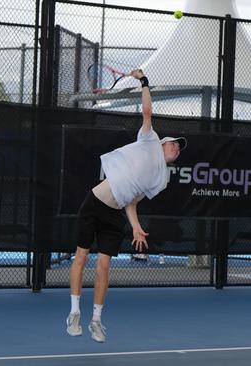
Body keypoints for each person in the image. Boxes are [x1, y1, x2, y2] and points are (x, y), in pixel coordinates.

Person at [66, 69, 187, 343]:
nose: (176, 148)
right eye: (174, 145)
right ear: (163, 142)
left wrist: (136, 227)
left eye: (179, 149)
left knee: (104, 267)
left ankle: (96, 320)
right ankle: (74, 313)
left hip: (113, 215)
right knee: (81, 258)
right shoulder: (149, 139)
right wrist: (143, 81)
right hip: (94, 203)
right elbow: (146, 111)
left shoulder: (161, 180)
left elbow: (132, 202)